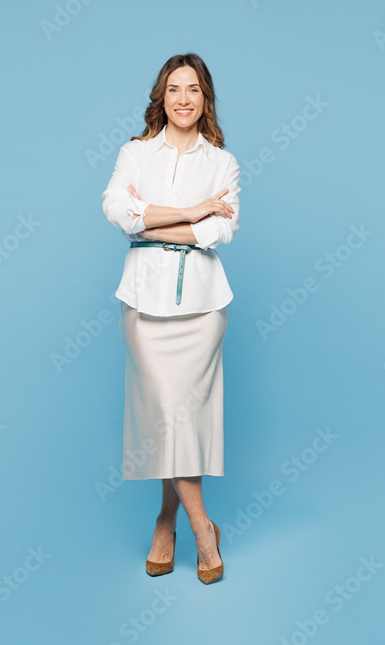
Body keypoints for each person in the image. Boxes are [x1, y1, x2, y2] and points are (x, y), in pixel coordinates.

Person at [101, 52, 240, 584]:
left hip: (202, 309)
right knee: (166, 414)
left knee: (182, 418)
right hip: (143, 303)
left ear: (206, 99)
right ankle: (202, 527)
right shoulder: (135, 153)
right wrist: (192, 210)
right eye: (175, 89)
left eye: (194, 89)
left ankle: (167, 521)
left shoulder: (222, 163)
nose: (184, 99)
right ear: (162, 95)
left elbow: (219, 232)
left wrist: (152, 220)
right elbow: (118, 212)